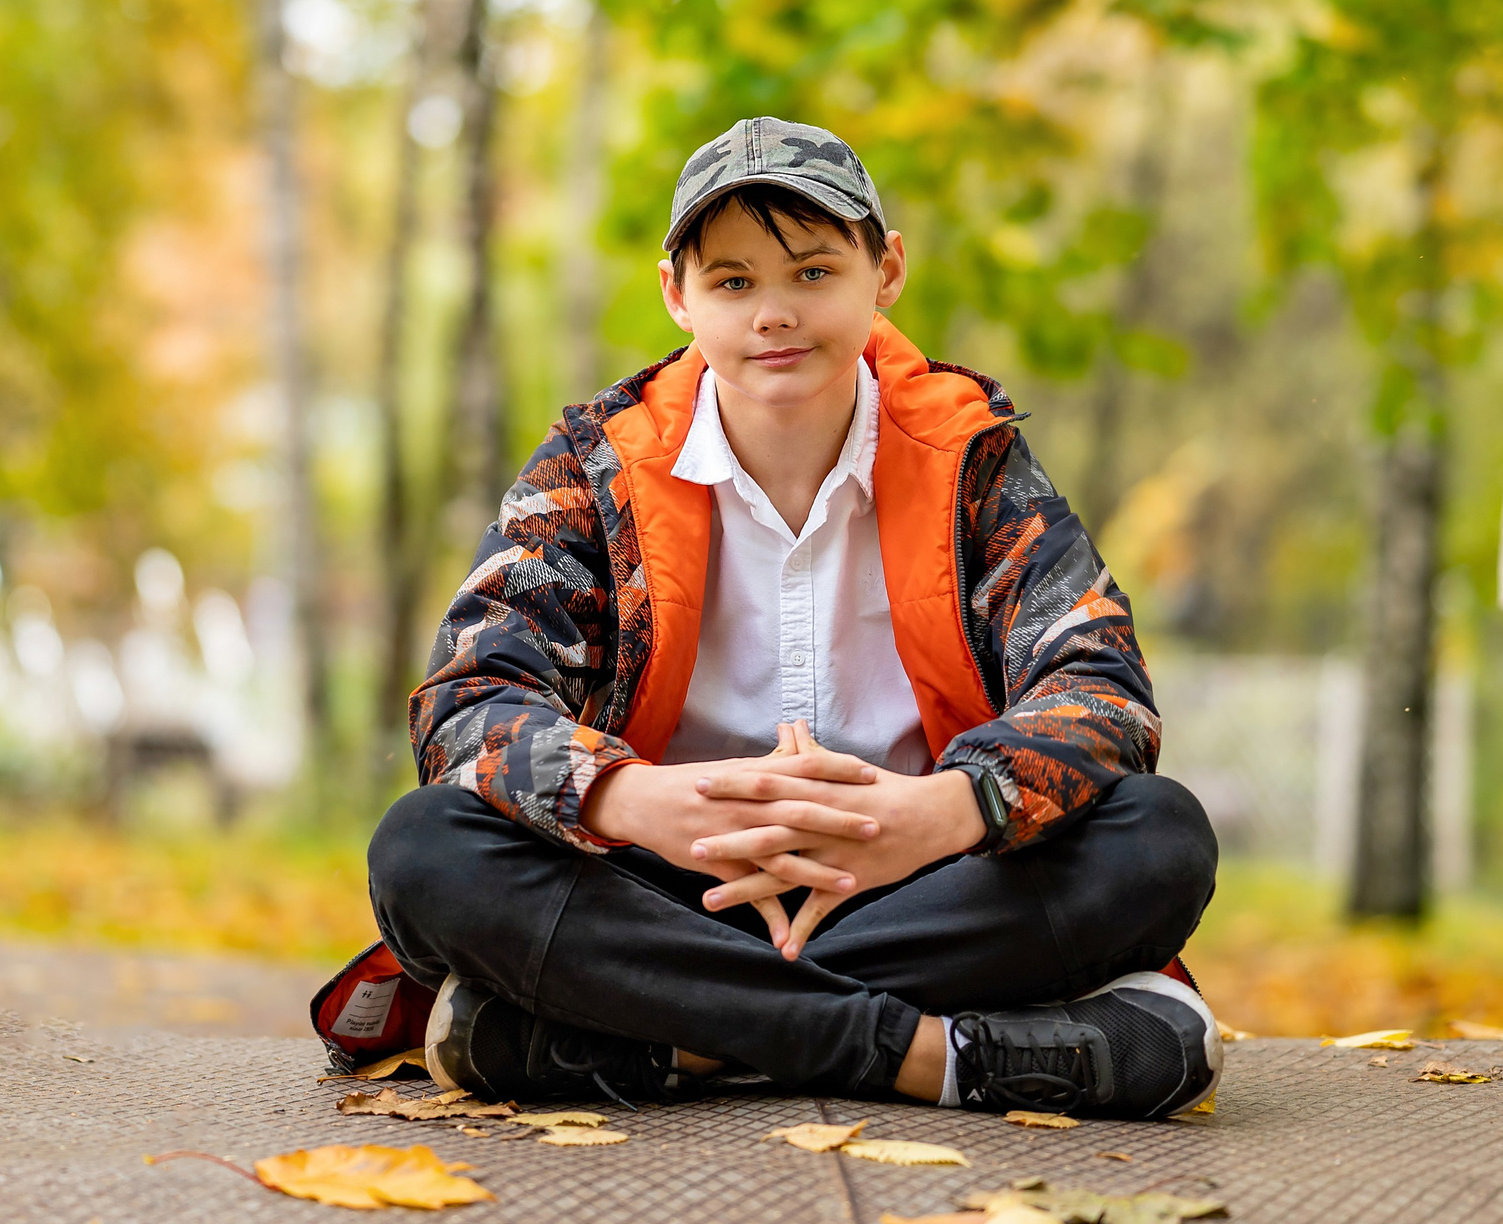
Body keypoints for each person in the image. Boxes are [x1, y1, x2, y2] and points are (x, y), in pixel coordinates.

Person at [340, 117, 1218, 1119]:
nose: (774, 314)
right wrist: (633, 800)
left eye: (811, 272)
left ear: (883, 271)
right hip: (666, 892)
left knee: (1158, 836)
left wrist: (939, 812)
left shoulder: (972, 457)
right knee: (426, 849)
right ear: (678, 295)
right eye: (733, 281)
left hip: (916, 884)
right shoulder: (593, 466)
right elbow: (467, 702)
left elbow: (1101, 690)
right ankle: (925, 1053)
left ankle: (678, 1045)